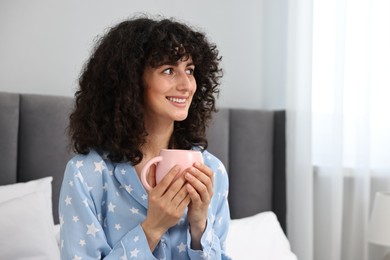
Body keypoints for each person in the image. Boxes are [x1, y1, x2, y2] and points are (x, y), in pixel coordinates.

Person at [59, 15, 231, 260]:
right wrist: (152, 229)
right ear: (130, 81)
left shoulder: (211, 170)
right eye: (169, 70)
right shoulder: (86, 175)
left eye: (190, 70)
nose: (186, 85)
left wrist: (199, 227)